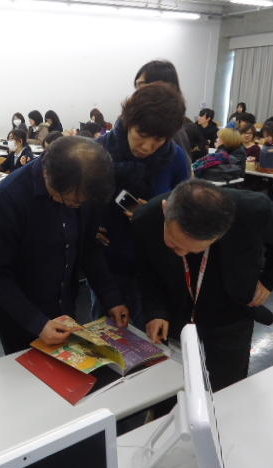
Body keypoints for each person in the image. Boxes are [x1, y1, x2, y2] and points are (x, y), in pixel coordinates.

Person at [133, 179, 273, 391]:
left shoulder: (253, 210)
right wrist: (155, 310)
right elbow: (145, 270)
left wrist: (270, 280)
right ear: (166, 210)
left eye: (194, 249)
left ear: (223, 232)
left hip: (230, 309)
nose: (182, 253)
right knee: (171, 383)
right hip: (175, 310)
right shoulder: (145, 219)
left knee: (228, 385)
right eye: (174, 245)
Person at [0, 136, 127, 354]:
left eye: (81, 203)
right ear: (48, 175)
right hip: (20, 319)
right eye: (71, 201)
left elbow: (89, 249)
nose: (75, 206)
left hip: (64, 311)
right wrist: (37, 323)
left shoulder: (84, 189)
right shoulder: (8, 198)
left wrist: (111, 297)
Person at [94, 82, 190, 329]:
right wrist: (89, 226)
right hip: (106, 264)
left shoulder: (175, 159)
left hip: (152, 266)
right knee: (104, 333)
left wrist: (157, 212)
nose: (147, 147)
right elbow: (78, 203)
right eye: (141, 134)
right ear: (129, 122)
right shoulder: (99, 152)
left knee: (147, 337)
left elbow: (185, 213)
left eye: (158, 139)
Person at [133, 60, 190, 159]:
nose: (136, 93)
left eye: (141, 85)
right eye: (137, 86)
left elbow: (184, 166)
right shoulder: (131, 121)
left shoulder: (174, 132)